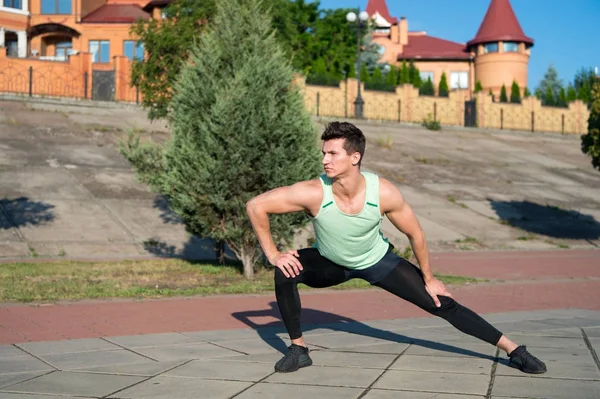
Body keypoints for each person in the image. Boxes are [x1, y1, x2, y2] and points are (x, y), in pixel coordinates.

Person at [245, 121, 547, 374]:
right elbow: (256, 205)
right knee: (285, 270)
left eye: (333, 153)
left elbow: (416, 234)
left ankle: (514, 350)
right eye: (324, 153)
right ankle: (299, 350)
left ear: (354, 157)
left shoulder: (384, 192)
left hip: (377, 262)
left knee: (440, 302)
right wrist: (273, 254)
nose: (325, 160)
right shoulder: (312, 192)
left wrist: (429, 278)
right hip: (330, 263)